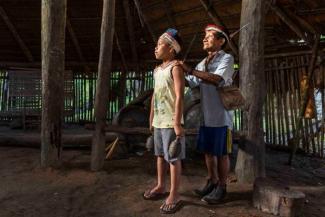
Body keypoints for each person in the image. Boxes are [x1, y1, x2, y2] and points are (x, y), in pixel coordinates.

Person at [179, 24, 234, 204]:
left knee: (222, 154)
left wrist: (190, 70)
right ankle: (212, 181)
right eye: (204, 36)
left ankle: (222, 188)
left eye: (209, 36)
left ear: (220, 41)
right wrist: (178, 73)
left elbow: (217, 79)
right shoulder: (203, 63)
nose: (204, 38)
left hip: (221, 117)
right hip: (206, 116)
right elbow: (193, 82)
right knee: (208, 153)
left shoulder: (227, 58)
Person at [143, 28, 185, 214]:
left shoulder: (176, 68)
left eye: (160, 44)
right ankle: (161, 186)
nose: (156, 47)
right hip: (159, 120)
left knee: (173, 157)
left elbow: (179, 96)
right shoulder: (157, 70)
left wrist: (177, 122)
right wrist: (152, 115)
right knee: (160, 155)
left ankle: (174, 194)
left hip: (170, 121)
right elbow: (155, 95)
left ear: (171, 48)